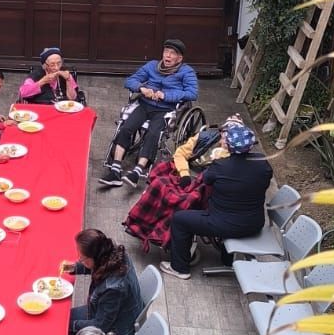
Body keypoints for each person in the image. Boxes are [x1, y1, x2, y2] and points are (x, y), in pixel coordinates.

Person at [161, 120, 274, 279]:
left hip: (223, 224)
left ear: (229, 146)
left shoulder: (221, 166)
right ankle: (227, 259)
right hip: (254, 224)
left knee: (180, 219)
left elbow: (205, 180)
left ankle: (179, 268)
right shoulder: (263, 163)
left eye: (225, 141)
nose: (222, 142)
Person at [100, 39, 199, 188]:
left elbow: (192, 93)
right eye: (166, 52)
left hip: (165, 109)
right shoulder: (152, 66)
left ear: (179, 58)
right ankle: (115, 168)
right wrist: (141, 88)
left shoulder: (186, 72)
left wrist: (165, 95)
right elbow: (130, 80)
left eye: (172, 53)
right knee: (126, 127)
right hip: (145, 105)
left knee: (153, 134)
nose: (168, 56)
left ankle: (138, 170)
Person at [122, 119, 228, 254]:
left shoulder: (233, 157)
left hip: (204, 183)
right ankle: (139, 225)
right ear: (221, 132)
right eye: (224, 134)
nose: (225, 138)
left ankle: (160, 235)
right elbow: (180, 153)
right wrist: (184, 173)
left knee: (184, 200)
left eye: (229, 136)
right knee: (159, 184)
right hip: (187, 173)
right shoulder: (203, 137)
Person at [59, 228, 144, 335]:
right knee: (61, 318)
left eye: (82, 259)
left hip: (114, 333)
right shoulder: (114, 254)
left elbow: (100, 326)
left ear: (95, 257)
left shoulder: (113, 289)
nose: (80, 260)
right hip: (106, 313)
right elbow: (99, 266)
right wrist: (75, 267)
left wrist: (68, 324)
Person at [17, 47, 83, 106]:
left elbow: (72, 98)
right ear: (45, 65)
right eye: (52, 64)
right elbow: (22, 93)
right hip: (43, 109)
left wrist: (68, 80)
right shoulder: (35, 75)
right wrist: (42, 82)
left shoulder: (65, 74)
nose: (56, 68)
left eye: (59, 63)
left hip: (63, 109)